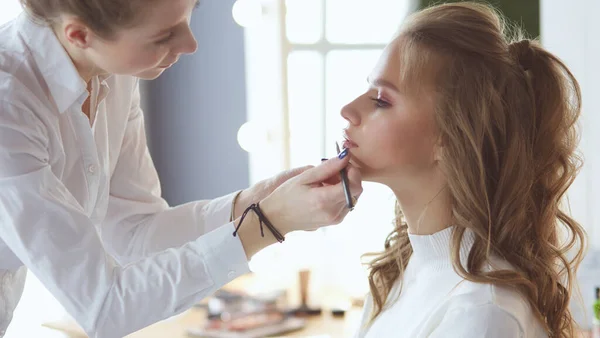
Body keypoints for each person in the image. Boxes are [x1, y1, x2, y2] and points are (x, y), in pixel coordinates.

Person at [0, 0, 363, 337]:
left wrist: (250, 203)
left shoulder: (113, 69)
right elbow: (104, 307)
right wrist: (267, 222)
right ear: (79, 35)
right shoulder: (9, 107)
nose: (191, 44)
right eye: (164, 35)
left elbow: (136, 235)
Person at [340, 2, 586, 337]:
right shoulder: (400, 270)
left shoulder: (483, 316)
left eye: (382, 100)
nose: (347, 110)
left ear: (450, 138)